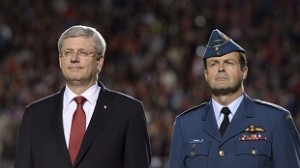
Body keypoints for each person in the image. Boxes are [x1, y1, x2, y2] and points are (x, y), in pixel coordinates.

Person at [15, 25, 151, 168]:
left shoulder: (128, 111)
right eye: (67, 52)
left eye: (83, 53)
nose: (74, 58)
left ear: (99, 61)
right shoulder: (35, 114)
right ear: (60, 60)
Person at [168, 29, 300, 168]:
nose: (221, 68)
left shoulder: (276, 121)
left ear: (244, 71)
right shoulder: (185, 125)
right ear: (206, 75)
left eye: (229, 62)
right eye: (214, 64)